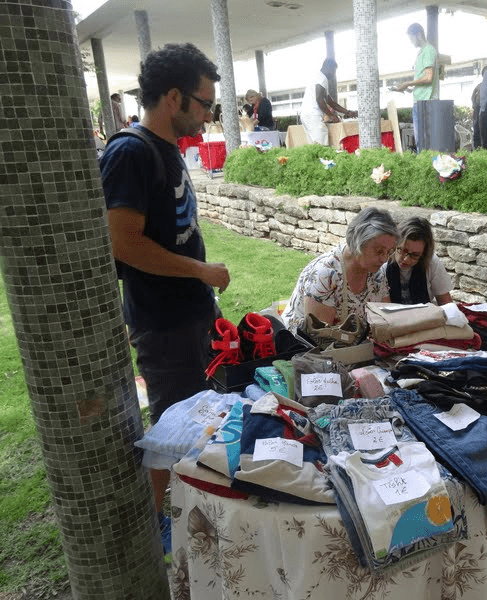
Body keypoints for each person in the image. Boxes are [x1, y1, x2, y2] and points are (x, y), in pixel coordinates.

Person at [99, 43, 230, 553]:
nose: (208, 116)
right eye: (205, 104)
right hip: (163, 321)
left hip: (190, 313)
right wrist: (200, 270)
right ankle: (156, 531)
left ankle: (190, 509)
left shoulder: (166, 149)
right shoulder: (130, 152)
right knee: (171, 425)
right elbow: (123, 242)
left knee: (196, 418)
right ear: (174, 98)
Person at [282, 207, 398, 333]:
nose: (385, 259)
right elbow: (320, 336)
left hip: (353, 341)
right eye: (379, 251)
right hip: (303, 342)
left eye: (389, 251)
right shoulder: (325, 275)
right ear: (359, 242)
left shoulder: (376, 273)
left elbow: (385, 321)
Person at [381, 217, 453, 306]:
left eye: (415, 255)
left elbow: (446, 303)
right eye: (403, 251)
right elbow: (383, 307)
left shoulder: (432, 263)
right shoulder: (382, 263)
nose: (406, 259)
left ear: (424, 254)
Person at [392, 23, 439, 150]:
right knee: (422, 143)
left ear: (418, 35)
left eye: (411, 38)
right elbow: (423, 81)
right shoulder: (423, 51)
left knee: (425, 145)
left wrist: (407, 83)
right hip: (421, 101)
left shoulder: (428, 50)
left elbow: (428, 77)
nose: (411, 42)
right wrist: (406, 88)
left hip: (426, 103)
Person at [299, 59, 356, 145]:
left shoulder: (317, 76)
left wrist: (347, 112)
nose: (333, 75)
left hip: (306, 115)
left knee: (313, 145)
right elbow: (319, 99)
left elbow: (331, 102)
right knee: (322, 144)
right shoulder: (322, 78)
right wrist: (331, 115)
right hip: (313, 115)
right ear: (327, 67)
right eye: (333, 71)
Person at [471, 66, 487, 149]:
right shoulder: (479, 86)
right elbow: (472, 98)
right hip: (478, 110)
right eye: (485, 73)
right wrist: (475, 106)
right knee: (477, 132)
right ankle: (477, 149)